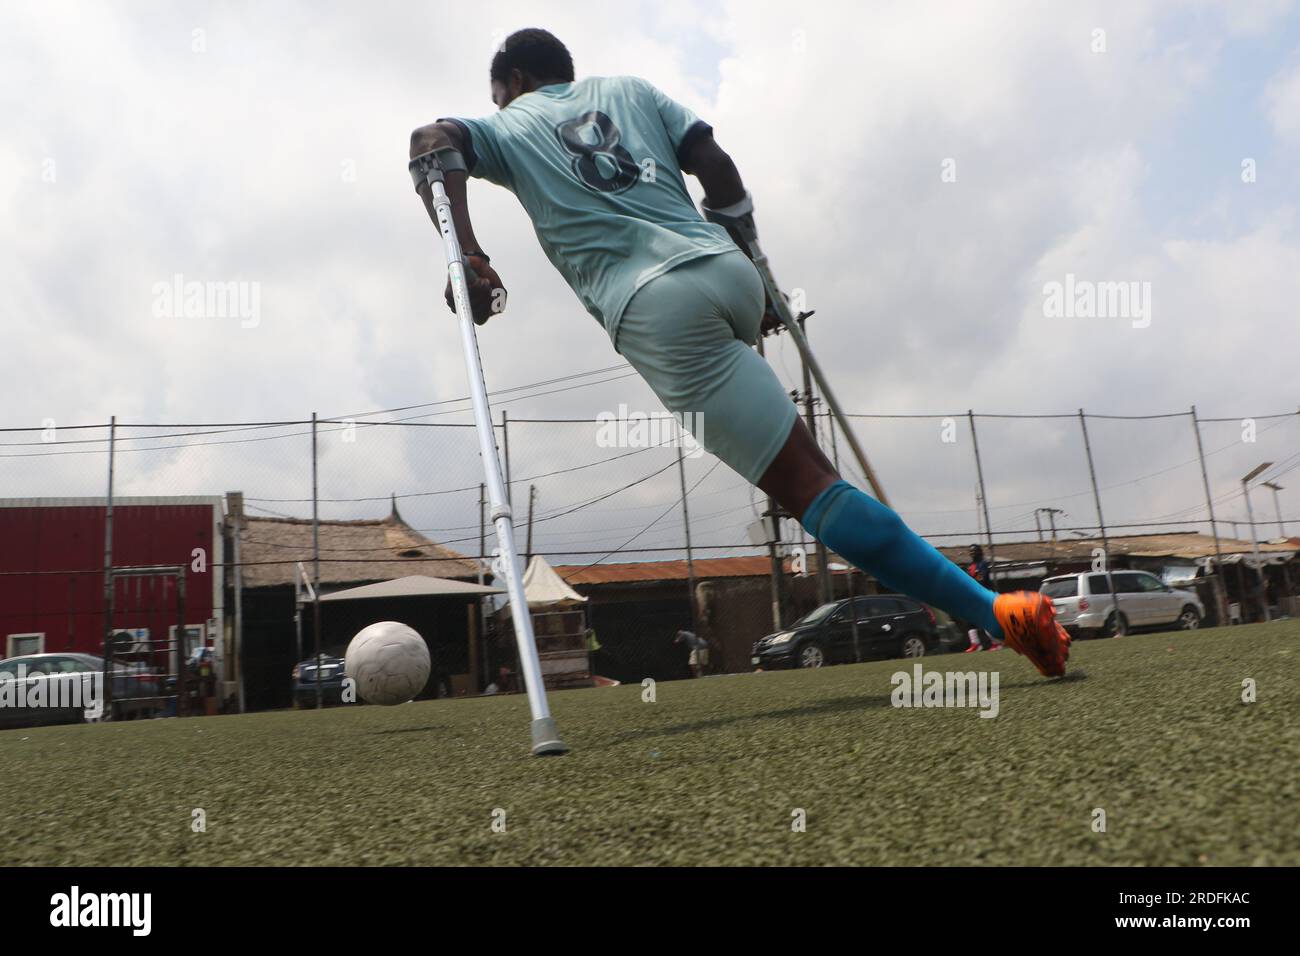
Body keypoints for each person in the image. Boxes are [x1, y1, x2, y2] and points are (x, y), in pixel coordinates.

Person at [409, 29, 1069, 678]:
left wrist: (466, 252)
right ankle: (987, 611)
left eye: (498, 96)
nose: (498, 108)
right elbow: (715, 165)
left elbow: (431, 142)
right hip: (725, 270)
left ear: (514, 82)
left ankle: (999, 612)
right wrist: (758, 274)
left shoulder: (509, 123)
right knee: (816, 471)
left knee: (809, 488)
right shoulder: (631, 90)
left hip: (654, 308)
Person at [963, 545, 1002, 652]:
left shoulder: (983, 564)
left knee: (987, 619)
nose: (972, 553)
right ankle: (975, 644)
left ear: (980, 552)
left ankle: (996, 643)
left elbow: (982, 579)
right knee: (970, 620)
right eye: (971, 551)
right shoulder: (970, 566)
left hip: (985, 595)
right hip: (974, 596)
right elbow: (968, 580)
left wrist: (973, 579)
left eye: (974, 551)